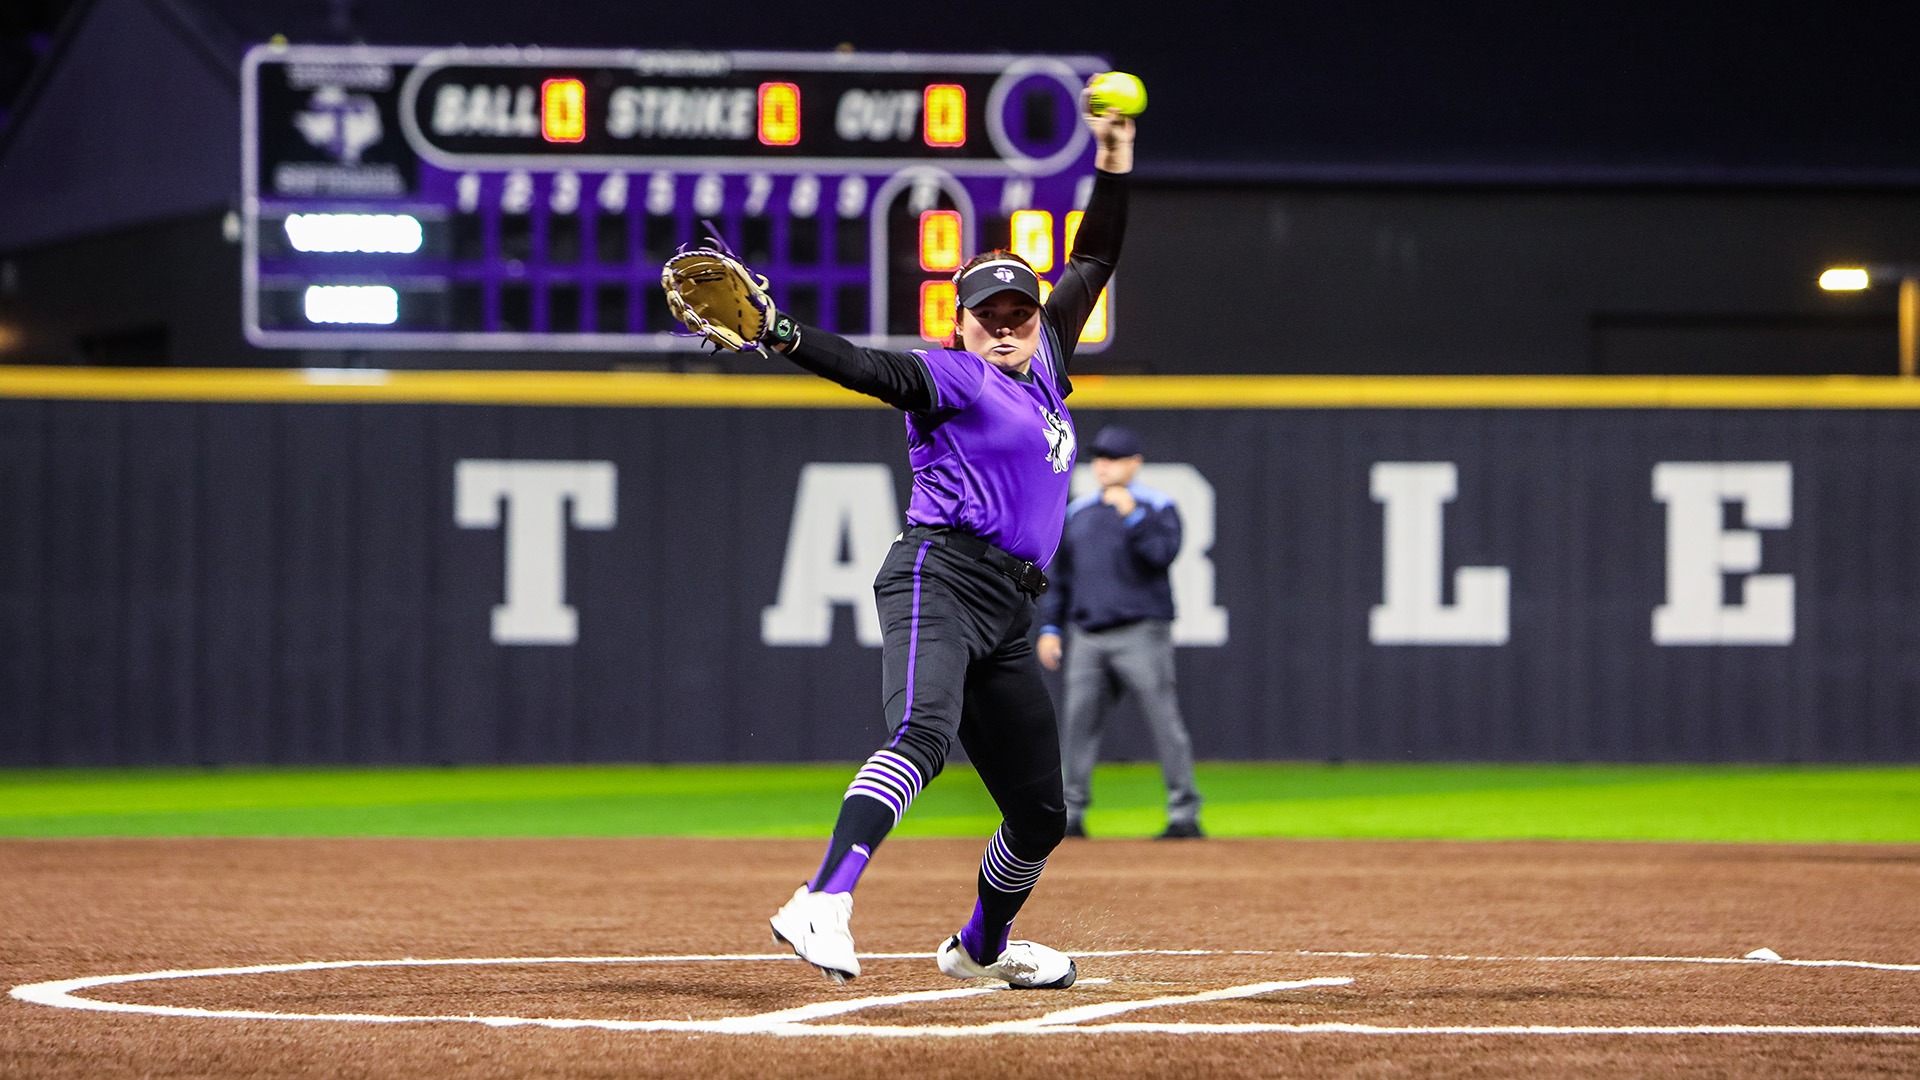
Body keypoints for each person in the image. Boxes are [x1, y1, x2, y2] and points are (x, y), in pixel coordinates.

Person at [746, 89, 1135, 989]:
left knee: (1040, 814)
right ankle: (822, 899)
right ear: (958, 322)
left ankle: (980, 950)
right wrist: (780, 331)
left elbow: (1097, 251)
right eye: (987, 313)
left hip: (1008, 608)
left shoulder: (1044, 360)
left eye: (1019, 312)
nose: (1005, 323)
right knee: (924, 731)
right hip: (939, 574)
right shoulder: (953, 377)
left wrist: (1112, 158)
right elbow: (867, 369)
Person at [1037, 426, 1203, 839]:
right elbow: (1060, 578)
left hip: (1141, 631)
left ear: (1135, 464)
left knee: (1164, 723)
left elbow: (1161, 555)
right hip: (1087, 635)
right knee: (1076, 726)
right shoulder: (1078, 512)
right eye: (1101, 459)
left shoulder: (1156, 507)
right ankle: (1070, 814)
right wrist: (1051, 628)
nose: (1105, 466)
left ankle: (1184, 814)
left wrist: (1132, 515)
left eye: (1114, 458)